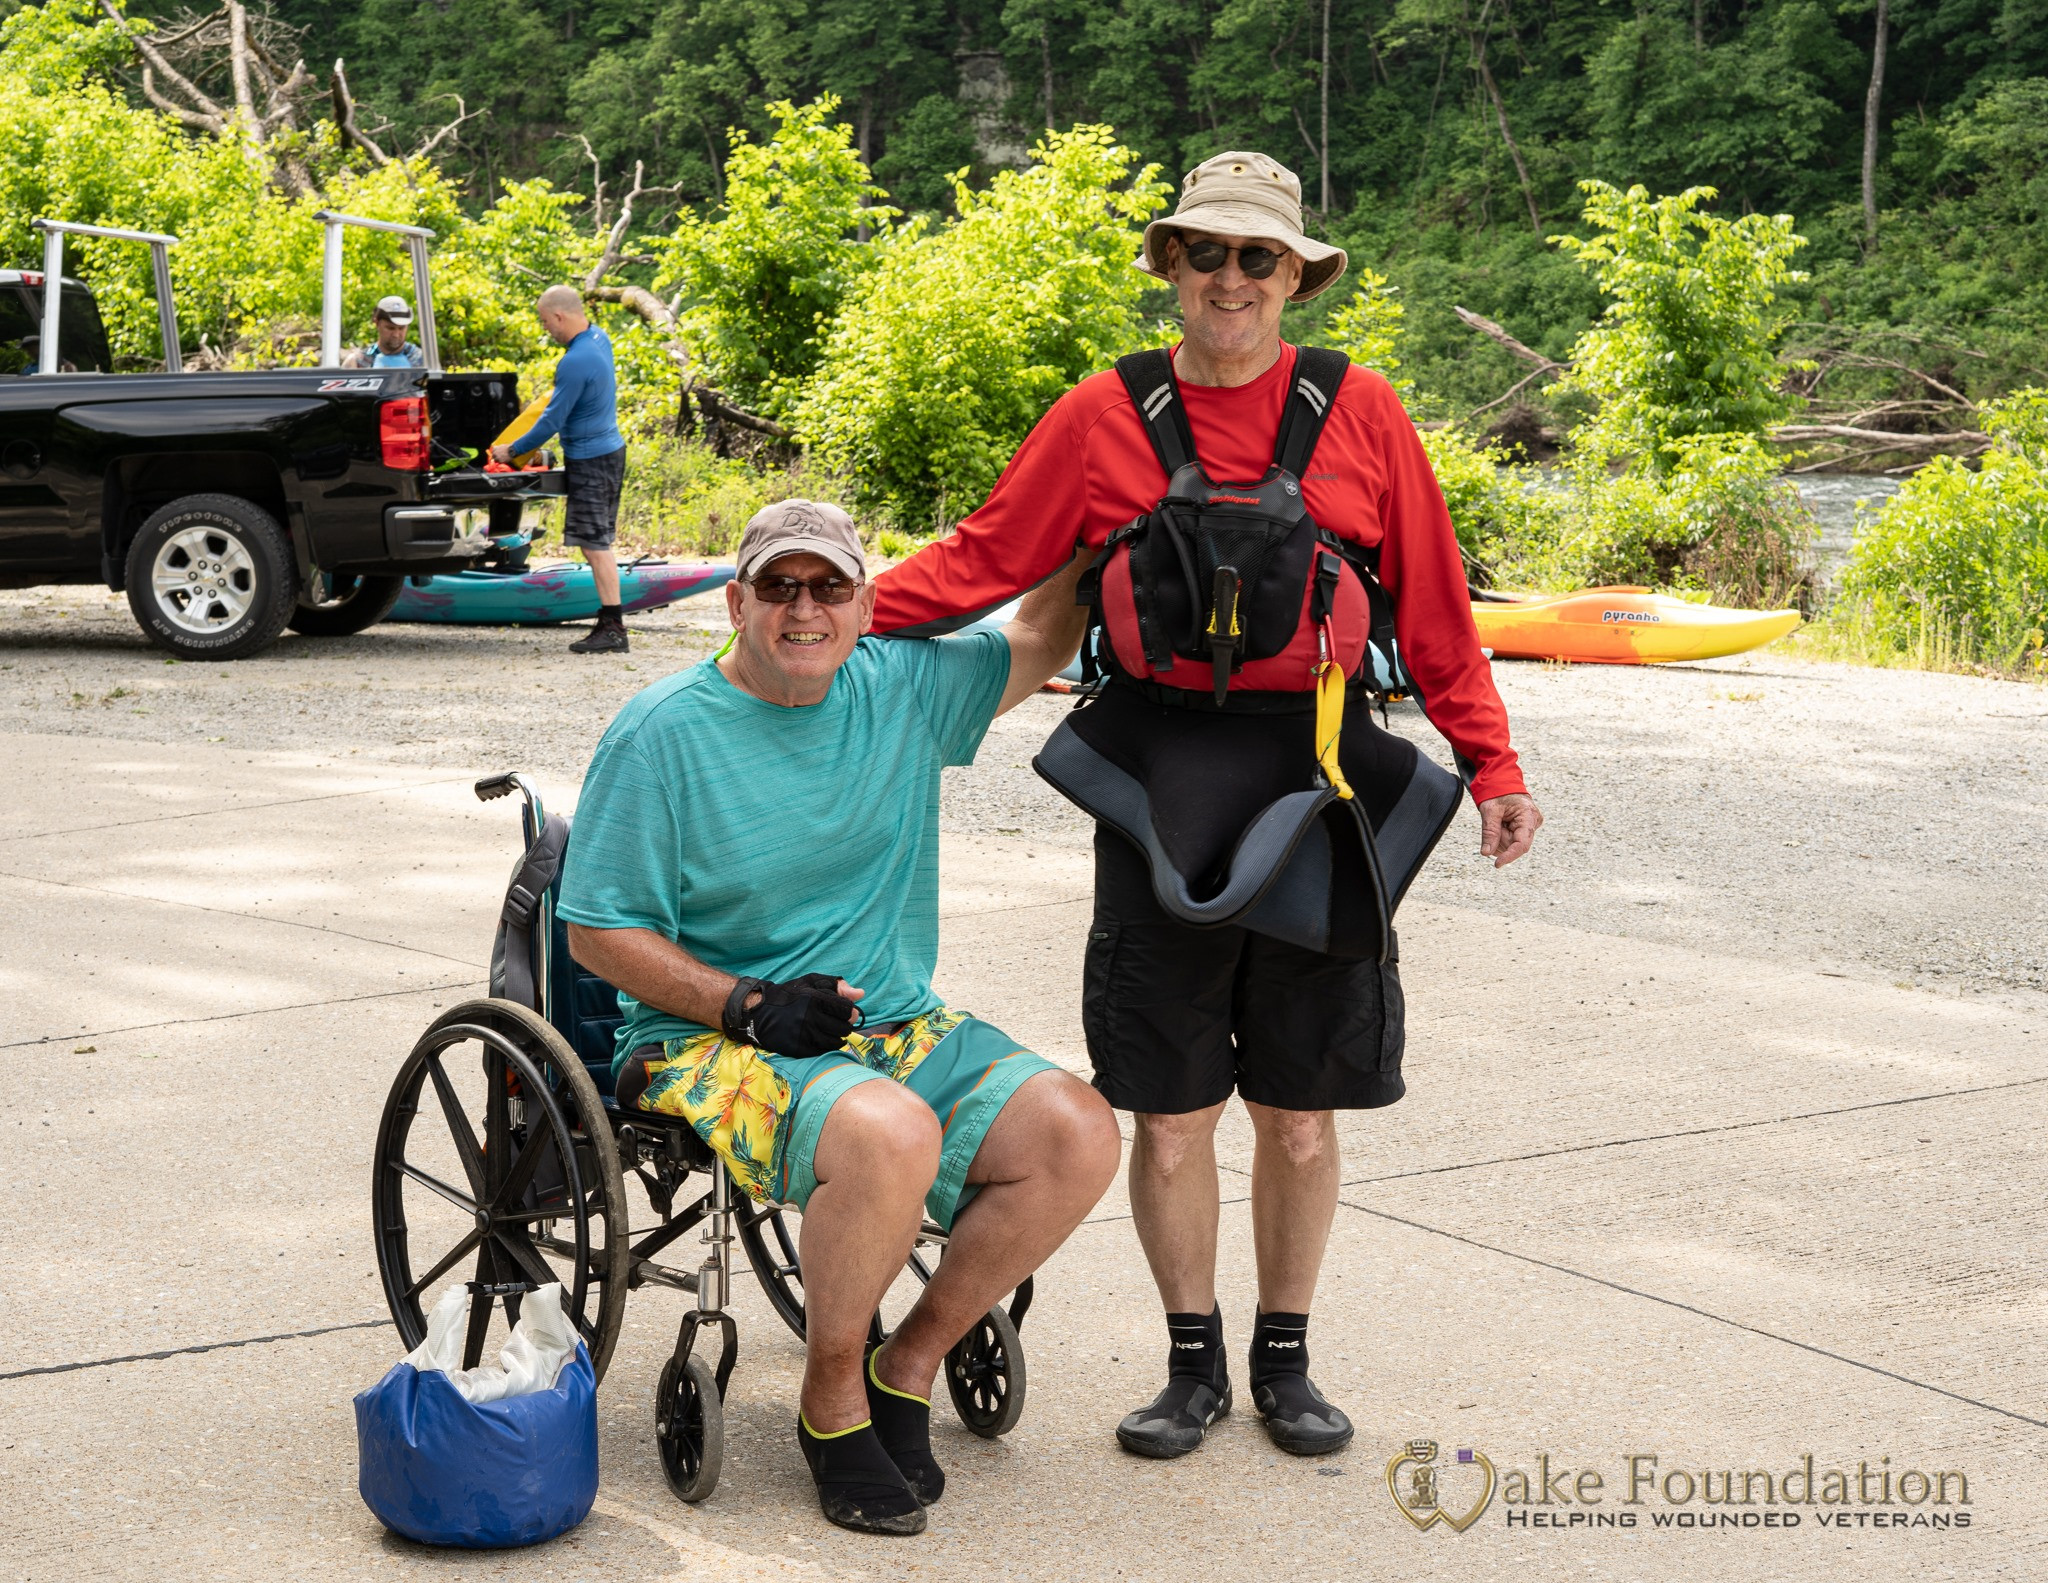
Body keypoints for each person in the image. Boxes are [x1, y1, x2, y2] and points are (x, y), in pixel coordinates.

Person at [870, 151, 1543, 1461]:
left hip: (1320, 768)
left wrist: (1495, 764)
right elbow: (984, 557)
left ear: (1295, 275)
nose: (1230, 279)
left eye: (1259, 258)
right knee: (1170, 1108)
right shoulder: (1098, 415)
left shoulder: (1364, 410)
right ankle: (1191, 1363)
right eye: (1208, 253)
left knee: (1300, 1106)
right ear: (1171, 264)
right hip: (1158, 771)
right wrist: (832, 608)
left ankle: (1286, 1359)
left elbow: (1440, 609)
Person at [558, 500, 1121, 1536]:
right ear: (735, 602)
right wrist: (748, 1001)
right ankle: (830, 1399)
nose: (802, 608)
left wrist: (1097, 515)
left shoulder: (902, 688)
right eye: (778, 586)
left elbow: (1043, 634)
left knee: (1077, 1131)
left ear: (866, 604)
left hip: (889, 1021)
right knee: (891, 1131)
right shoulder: (662, 730)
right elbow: (596, 930)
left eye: (828, 587)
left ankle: (904, 1362)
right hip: (704, 1037)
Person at [490, 285, 630, 654]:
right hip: (609, 451)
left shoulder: (575, 360)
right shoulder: (599, 339)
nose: (546, 329)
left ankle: (613, 627)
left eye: (545, 322)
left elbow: (553, 417)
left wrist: (513, 450)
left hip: (592, 460)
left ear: (559, 316)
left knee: (594, 544)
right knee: (597, 541)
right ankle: (611, 623)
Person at [340, 296, 426, 368]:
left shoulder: (421, 360)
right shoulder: (358, 362)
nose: (396, 335)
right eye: (390, 328)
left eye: (401, 328)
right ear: (377, 323)